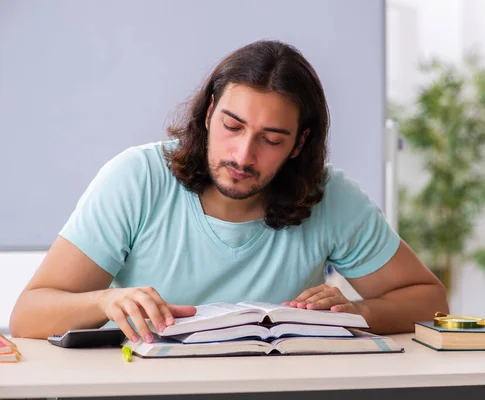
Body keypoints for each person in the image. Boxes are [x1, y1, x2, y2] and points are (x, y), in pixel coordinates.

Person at [9, 40, 448, 343]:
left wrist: (357, 313)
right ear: (208, 114)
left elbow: (429, 301)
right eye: (232, 126)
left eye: (271, 139)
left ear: (299, 144)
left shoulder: (329, 196)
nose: (243, 154)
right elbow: (28, 315)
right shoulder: (137, 178)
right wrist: (107, 301)